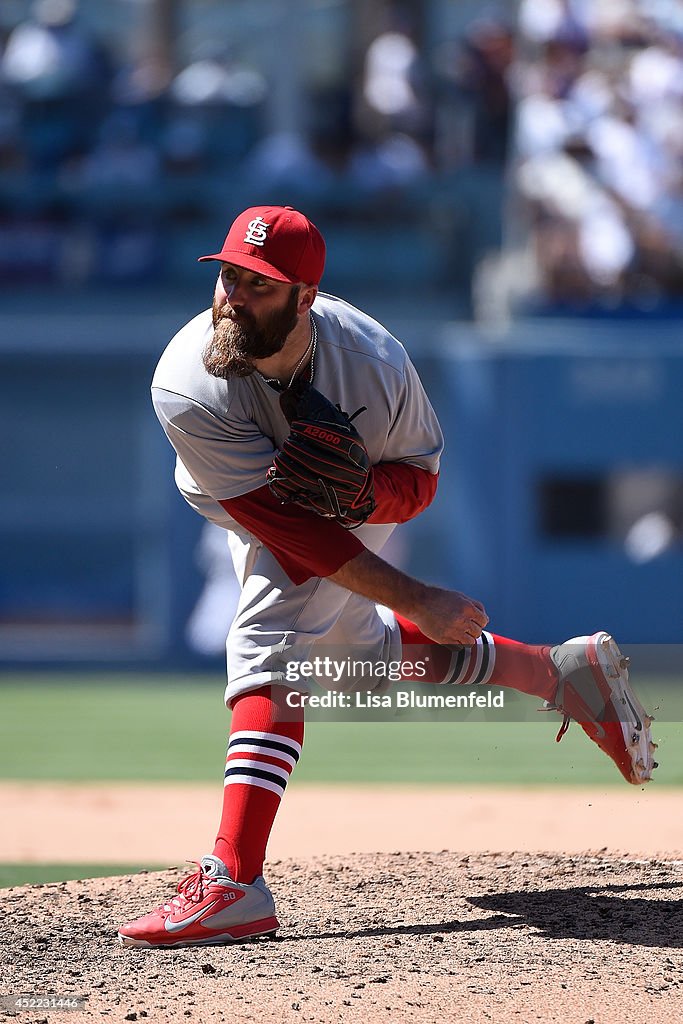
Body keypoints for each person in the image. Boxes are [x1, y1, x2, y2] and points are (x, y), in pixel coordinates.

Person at [118, 205, 656, 948]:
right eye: (230, 276)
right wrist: (415, 599)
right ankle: (559, 673)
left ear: (306, 297)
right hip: (237, 497)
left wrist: (364, 496)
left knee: (273, 642)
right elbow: (284, 526)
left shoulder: (370, 360)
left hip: (347, 495)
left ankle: (234, 880)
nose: (234, 296)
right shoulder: (187, 380)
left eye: (260, 285)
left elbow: (420, 481)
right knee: (351, 659)